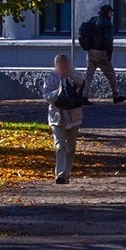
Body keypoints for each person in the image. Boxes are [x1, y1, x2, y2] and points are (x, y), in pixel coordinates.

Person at [42, 53, 86, 184]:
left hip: (74, 116)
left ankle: (66, 174)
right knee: (60, 145)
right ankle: (60, 175)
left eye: (65, 65)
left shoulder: (74, 75)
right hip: (57, 117)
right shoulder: (51, 77)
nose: (63, 67)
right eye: (61, 65)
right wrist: (59, 92)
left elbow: (83, 85)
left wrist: (71, 76)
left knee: (71, 147)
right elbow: (46, 95)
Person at [79, 4, 126, 103]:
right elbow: (108, 40)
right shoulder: (107, 23)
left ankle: (84, 96)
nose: (112, 14)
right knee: (111, 74)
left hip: (91, 52)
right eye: (111, 12)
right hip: (101, 52)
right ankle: (115, 96)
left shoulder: (93, 20)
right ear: (108, 12)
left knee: (89, 75)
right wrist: (109, 53)